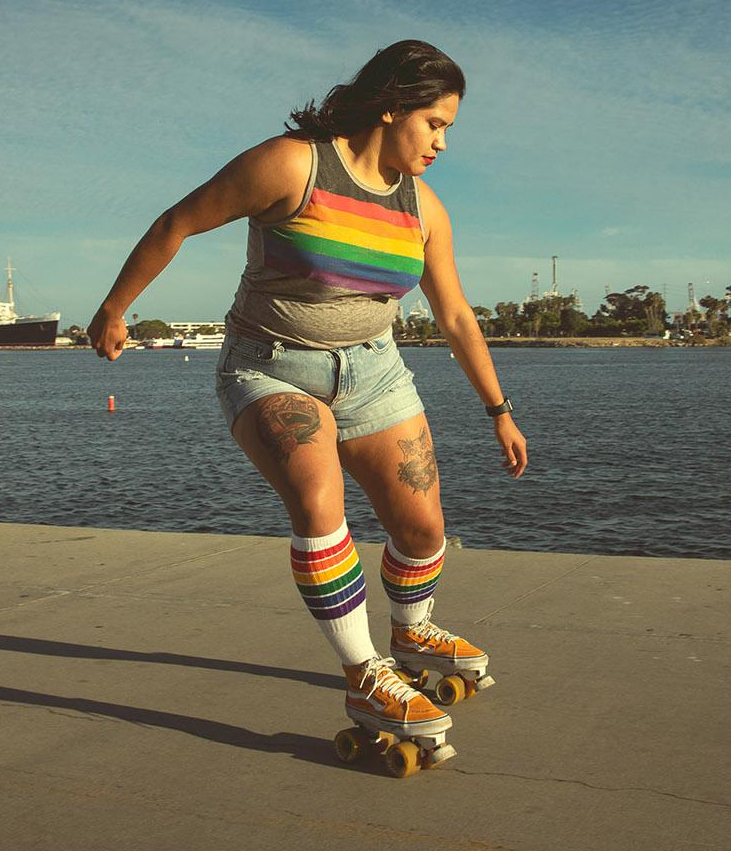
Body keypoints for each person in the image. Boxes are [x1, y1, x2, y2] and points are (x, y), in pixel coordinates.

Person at [86, 40, 527, 765]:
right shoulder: (292, 164)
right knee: (321, 505)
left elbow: (454, 315)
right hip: (272, 368)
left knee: (421, 528)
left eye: (450, 129)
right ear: (392, 106)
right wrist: (115, 308)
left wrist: (498, 410)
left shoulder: (424, 207)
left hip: (377, 373)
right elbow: (179, 222)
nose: (443, 143)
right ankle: (364, 678)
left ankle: (412, 631)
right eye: (435, 124)